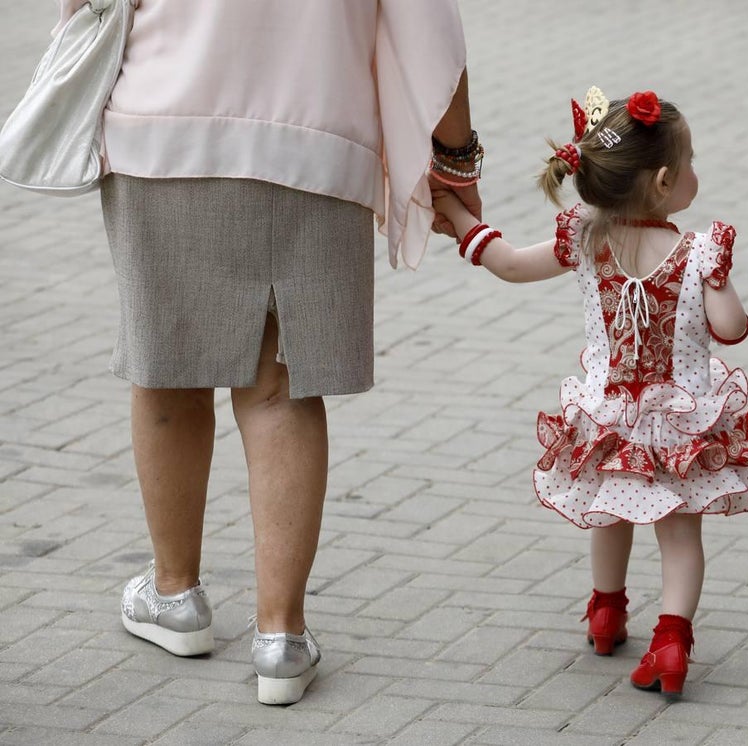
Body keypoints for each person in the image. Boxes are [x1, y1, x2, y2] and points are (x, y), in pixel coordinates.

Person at [50, 0, 481, 705]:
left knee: (167, 370)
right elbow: (429, 21)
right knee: (280, 388)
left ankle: (174, 594)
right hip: (319, 131)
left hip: (164, 119)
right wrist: (455, 155)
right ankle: (281, 638)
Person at [431, 88, 748, 697]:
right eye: (691, 163)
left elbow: (508, 264)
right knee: (679, 530)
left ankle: (606, 612)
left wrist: (458, 216)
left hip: (609, 417)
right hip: (682, 424)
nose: (696, 172)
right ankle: (671, 639)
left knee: (609, 511)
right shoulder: (698, 254)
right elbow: (732, 329)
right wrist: (719, 276)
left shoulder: (585, 239)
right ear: (666, 181)